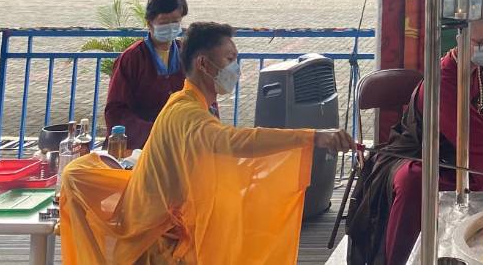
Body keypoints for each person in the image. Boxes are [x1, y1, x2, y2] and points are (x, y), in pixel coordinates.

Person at [59, 21, 355, 265]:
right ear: (203, 63)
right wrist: (313, 137)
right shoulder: (185, 113)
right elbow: (232, 142)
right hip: (156, 246)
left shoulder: (190, 104)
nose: (236, 68)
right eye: (229, 59)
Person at [345, 5, 483, 265]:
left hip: (465, 157)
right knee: (415, 180)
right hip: (420, 155)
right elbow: (474, 136)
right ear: (460, 39)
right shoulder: (441, 80)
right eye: (482, 43)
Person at [103, 0, 189, 149]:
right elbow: (116, 111)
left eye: (175, 21)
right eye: (164, 22)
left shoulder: (187, 55)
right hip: (141, 147)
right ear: (149, 23)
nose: (171, 27)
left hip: (181, 143)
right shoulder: (131, 58)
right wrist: (156, 132)